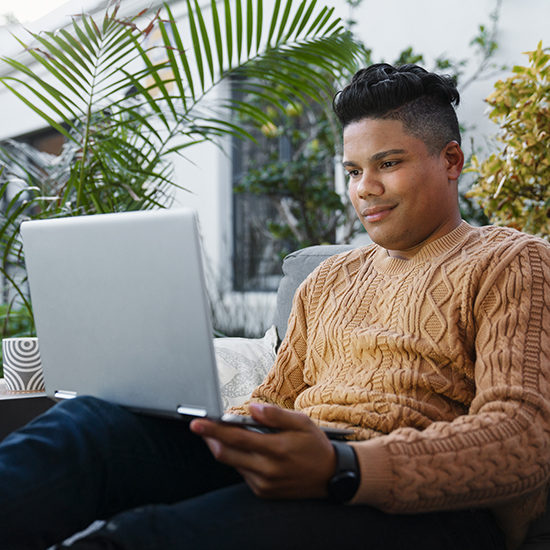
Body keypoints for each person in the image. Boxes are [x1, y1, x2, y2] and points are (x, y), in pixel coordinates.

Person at [1, 63, 549, 550]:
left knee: (144, 535)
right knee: (89, 428)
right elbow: (273, 400)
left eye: (388, 163)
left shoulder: (513, 262)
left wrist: (343, 466)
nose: (365, 189)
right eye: (354, 171)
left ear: (450, 160)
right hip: (302, 458)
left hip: (425, 505)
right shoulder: (331, 278)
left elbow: (522, 436)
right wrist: (224, 433)